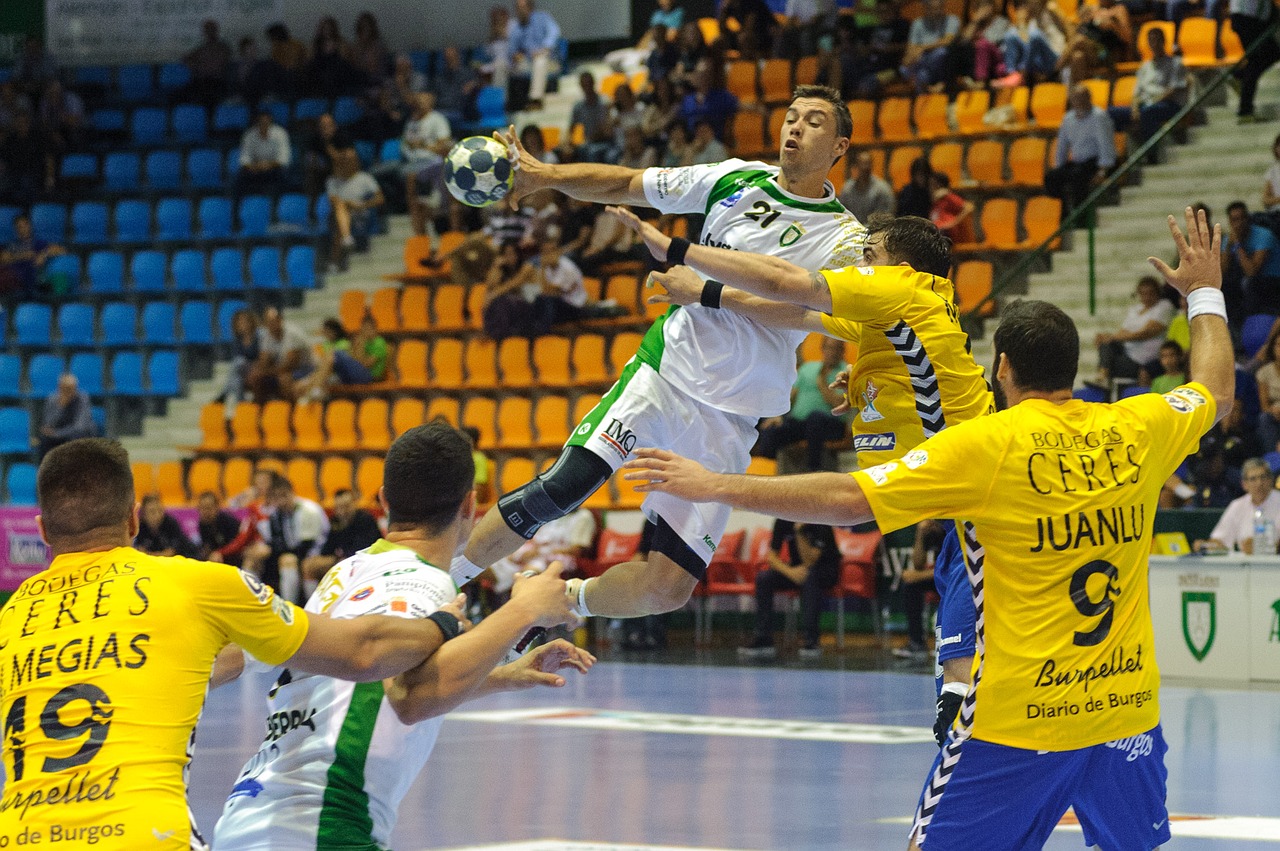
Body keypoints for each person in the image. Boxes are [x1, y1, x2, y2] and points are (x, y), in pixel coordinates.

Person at [625, 206, 1233, 851]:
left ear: (1001, 369)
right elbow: (1216, 390)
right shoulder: (1138, 426)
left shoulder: (984, 446)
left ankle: (955, 677)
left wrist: (712, 483)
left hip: (1020, 718)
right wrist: (1203, 291)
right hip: (1126, 711)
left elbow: (846, 497)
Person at [452, 85, 869, 621]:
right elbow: (627, 183)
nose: (795, 127)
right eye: (791, 116)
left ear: (839, 147)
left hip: (732, 416)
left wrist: (709, 291)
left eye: (814, 122)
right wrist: (547, 177)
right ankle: (442, 580)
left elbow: (817, 315)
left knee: (667, 587)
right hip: (666, 373)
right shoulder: (736, 179)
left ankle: (555, 604)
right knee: (566, 485)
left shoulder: (844, 239)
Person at [0, 437, 469, 849]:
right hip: (146, 835)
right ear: (132, 519)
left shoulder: (10, 619)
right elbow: (362, 651)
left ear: (41, 530)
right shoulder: (196, 584)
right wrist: (444, 625)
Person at [213, 421, 586, 850]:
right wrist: (523, 610)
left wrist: (502, 675)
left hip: (253, 814)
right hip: (323, 826)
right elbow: (409, 697)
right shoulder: (423, 584)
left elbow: (367, 686)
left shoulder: (348, 571)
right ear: (470, 506)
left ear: (384, 500)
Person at [739, 520, 842, 658]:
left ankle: (811, 641)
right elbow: (771, 558)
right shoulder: (782, 519)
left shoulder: (820, 519)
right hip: (796, 570)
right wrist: (790, 572)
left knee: (810, 578)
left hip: (825, 571)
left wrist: (799, 532)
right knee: (764, 578)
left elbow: (810, 561)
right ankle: (764, 639)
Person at [755, 337, 853, 472]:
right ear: (822, 349)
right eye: (829, 348)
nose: (833, 352)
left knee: (815, 418)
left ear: (843, 351)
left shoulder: (846, 372)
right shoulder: (807, 368)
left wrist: (822, 382)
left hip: (831, 425)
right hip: (802, 424)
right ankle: (765, 467)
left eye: (837, 348)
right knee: (771, 427)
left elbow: (839, 404)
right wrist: (778, 415)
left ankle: (814, 469)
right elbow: (791, 396)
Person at [242, 473, 330, 605]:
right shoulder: (275, 514)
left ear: (292, 493)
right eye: (276, 498)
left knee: (288, 560)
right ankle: (252, 604)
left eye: (284, 496)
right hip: (289, 551)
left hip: (317, 552)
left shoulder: (308, 510)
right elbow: (276, 541)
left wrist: (275, 550)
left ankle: (291, 607)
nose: (281, 501)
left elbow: (306, 546)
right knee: (254, 557)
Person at [1044, 83, 1116, 214]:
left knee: (1078, 177)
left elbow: (1106, 144)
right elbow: (1062, 146)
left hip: (1095, 162)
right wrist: (1059, 166)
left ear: (1089, 98)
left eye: (1082, 98)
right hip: (1077, 162)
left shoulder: (1099, 117)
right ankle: (1064, 213)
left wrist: (1103, 171)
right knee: (1052, 177)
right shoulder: (1068, 118)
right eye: (1075, 99)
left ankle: (1081, 218)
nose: (1079, 102)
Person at [1094, 275, 1177, 384]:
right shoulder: (1135, 309)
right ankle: (1103, 375)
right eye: (1143, 293)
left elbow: (1145, 333)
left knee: (1109, 357)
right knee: (1106, 345)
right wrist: (1106, 337)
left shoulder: (1164, 306)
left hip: (1144, 360)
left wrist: (1112, 337)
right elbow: (1122, 332)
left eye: (1150, 293)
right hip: (1127, 352)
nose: (1147, 297)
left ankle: (1104, 378)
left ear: (1157, 292)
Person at [301, 488, 383, 596]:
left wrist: (337, 559)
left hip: (365, 561)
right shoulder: (335, 521)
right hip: (342, 559)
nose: (343, 511)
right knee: (309, 565)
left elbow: (361, 550)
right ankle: (312, 605)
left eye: (346, 506)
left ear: (354, 504)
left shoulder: (365, 519)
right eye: (339, 508)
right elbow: (327, 549)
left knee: (338, 565)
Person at [1196, 457, 1280, 552]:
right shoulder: (1237, 505)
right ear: (1244, 484)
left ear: (1271, 479)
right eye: (1253, 479)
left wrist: (1263, 546)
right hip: (1245, 564)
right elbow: (1220, 539)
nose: (1259, 483)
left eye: (1263, 477)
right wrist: (1206, 545)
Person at [895, 518, 948, 658]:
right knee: (911, 586)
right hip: (941, 578)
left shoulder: (953, 528)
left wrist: (919, 576)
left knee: (914, 580)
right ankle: (916, 643)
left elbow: (952, 568)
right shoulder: (933, 529)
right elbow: (918, 564)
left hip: (960, 579)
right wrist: (920, 533)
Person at [326, 149, 385, 271]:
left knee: (340, 223)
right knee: (341, 209)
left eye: (351, 160)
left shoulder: (365, 178)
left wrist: (362, 205)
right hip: (339, 213)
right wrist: (347, 204)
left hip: (361, 212)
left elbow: (380, 199)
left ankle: (335, 261)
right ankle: (347, 238)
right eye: (344, 160)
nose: (347, 163)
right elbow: (333, 201)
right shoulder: (332, 181)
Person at [1131, 26, 1187, 149]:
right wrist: (1134, 108)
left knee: (1147, 112)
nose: (1154, 44)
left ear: (1163, 41)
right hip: (1145, 104)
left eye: (1157, 40)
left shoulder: (1175, 63)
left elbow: (1173, 90)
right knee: (1114, 114)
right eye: (1151, 41)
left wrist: (1152, 102)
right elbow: (1137, 92)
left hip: (1168, 105)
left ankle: (1151, 152)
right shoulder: (1145, 66)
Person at [248, 306, 316, 402]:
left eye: (273, 321)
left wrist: (266, 371)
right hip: (280, 369)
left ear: (280, 320)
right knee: (255, 377)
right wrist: (260, 371)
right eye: (268, 322)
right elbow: (264, 361)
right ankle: (260, 409)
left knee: (284, 379)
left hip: (306, 368)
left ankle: (291, 410)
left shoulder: (292, 333)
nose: (271, 325)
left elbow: (290, 365)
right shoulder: (267, 335)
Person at [505, 0, 563, 110]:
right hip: (528, 62)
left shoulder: (543, 18)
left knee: (540, 61)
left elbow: (555, 32)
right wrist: (516, 55)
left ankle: (535, 100)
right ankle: (504, 104)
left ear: (530, 7)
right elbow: (512, 51)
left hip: (549, 62)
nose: (519, 11)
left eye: (522, 7)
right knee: (504, 66)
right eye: (517, 8)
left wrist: (542, 50)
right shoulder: (516, 26)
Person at [1226, 200, 1280, 315]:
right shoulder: (1229, 239)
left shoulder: (1264, 235)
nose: (1239, 224)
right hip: (1252, 282)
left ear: (1247, 219)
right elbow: (1221, 271)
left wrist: (1238, 245)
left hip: (1272, 280)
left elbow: (1251, 271)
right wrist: (1227, 248)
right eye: (1235, 220)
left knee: (1248, 284)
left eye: (1242, 218)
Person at [1230, 0, 1280, 123]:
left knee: (1265, 56)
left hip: (1246, 15)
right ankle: (1245, 111)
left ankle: (1239, 75)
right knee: (1256, 61)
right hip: (1249, 16)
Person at [1, 212, 65, 298]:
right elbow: (3, 258)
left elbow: (61, 250)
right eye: (20, 227)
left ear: (30, 226)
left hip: (26, 278)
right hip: (11, 274)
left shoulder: (37, 243)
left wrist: (43, 254)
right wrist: (21, 256)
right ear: (16, 229)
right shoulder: (13, 244)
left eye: (25, 225)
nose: (23, 229)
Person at [901, 0, 960, 92]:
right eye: (932, 7)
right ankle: (927, 91)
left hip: (942, 64)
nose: (936, 11)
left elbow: (948, 40)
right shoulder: (917, 23)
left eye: (938, 7)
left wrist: (922, 48)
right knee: (905, 69)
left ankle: (941, 85)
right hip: (923, 62)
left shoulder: (952, 20)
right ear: (925, 7)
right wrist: (909, 58)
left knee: (941, 53)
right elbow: (911, 47)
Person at [36, 372, 96, 458]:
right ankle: (46, 469)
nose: (68, 391)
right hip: (58, 433)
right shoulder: (52, 399)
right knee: (44, 439)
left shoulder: (83, 399)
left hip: (76, 433)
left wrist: (57, 434)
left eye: (70, 388)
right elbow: (48, 424)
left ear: (75, 387)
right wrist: (61, 407)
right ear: (59, 387)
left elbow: (79, 427)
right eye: (65, 388)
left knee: (75, 438)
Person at [237, 109, 291, 194]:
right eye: (261, 122)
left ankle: (278, 203)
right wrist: (254, 166)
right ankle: (245, 204)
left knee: (283, 174)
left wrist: (268, 165)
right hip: (255, 168)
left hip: (274, 168)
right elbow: (244, 158)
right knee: (240, 177)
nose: (264, 125)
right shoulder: (249, 135)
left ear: (270, 122)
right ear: (257, 123)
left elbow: (284, 159)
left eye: (266, 122)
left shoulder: (280, 133)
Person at [182, 19, 233, 105]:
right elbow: (186, 58)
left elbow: (215, 68)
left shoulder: (223, 48)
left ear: (216, 31)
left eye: (211, 30)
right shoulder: (202, 48)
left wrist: (200, 67)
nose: (209, 33)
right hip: (200, 83)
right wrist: (194, 65)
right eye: (207, 30)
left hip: (216, 84)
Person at [134, 492, 200, 558]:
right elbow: (141, 552)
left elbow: (170, 552)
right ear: (144, 514)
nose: (157, 515)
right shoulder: (140, 527)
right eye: (152, 512)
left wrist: (150, 555)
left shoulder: (171, 524)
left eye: (160, 510)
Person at [840, 150, 895, 223]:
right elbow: (842, 214)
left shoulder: (882, 189)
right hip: (851, 230)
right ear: (855, 166)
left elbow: (885, 218)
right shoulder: (847, 188)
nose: (864, 167)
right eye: (861, 163)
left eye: (867, 163)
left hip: (875, 231)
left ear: (871, 165)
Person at [196, 490, 243, 565]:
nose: (206, 512)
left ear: (217, 507)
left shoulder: (228, 521)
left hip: (236, 556)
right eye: (202, 508)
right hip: (217, 556)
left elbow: (237, 544)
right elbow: (207, 545)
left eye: (209, 508)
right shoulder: (202, 524)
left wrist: (220, 553)